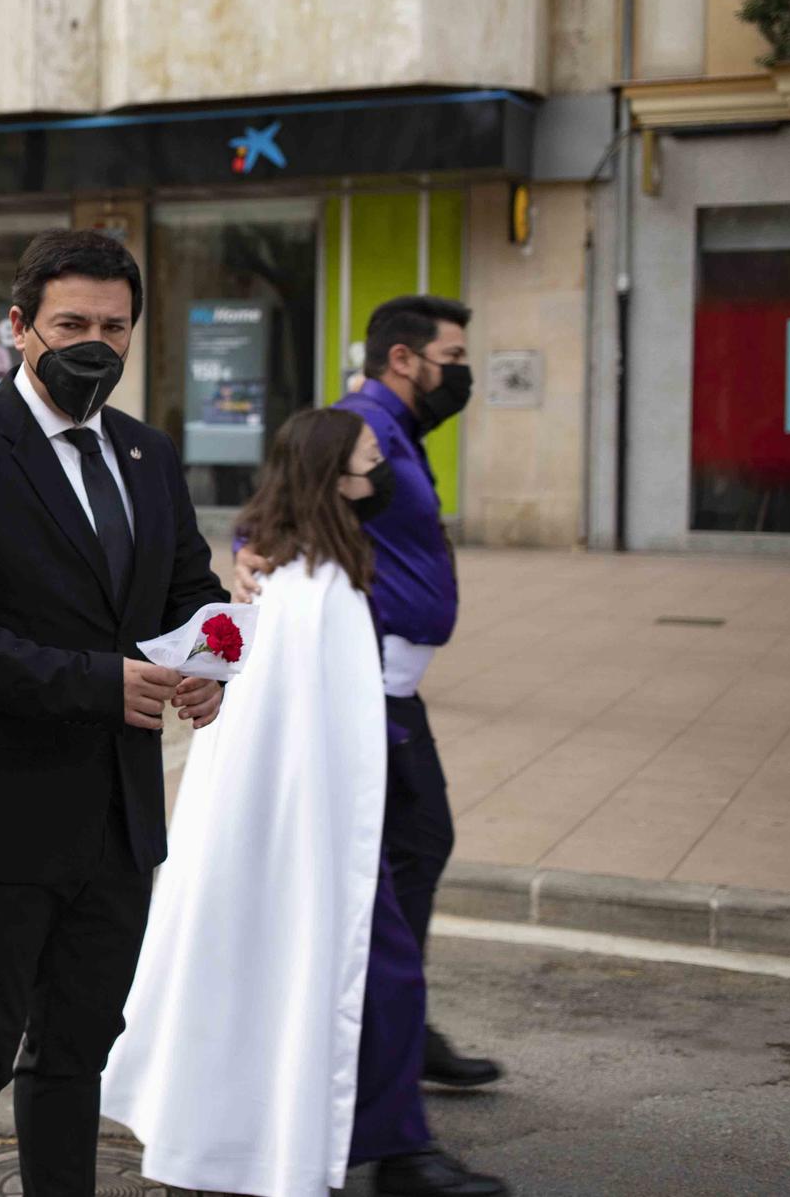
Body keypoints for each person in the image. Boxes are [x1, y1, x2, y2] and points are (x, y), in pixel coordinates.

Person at [104, 408, 508, 1197]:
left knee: (359, 973)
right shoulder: (303, 584)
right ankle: (392, 1153)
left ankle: (383, 1141)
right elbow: (285, 730)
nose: (378, 474)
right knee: (377, 970)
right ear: (333, 480)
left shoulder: (314, 569)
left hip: (321, 826)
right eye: (365, 463)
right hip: (311, 834)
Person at [0, 229, 227, 1196]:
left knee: (79, 1050)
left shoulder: (148, 452)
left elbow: (190, 590)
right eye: (71, 323)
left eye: (114, 326)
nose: (95, 343)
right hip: (4, 820)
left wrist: (212, 659)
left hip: (122, 822)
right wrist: (97, 683)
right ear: (19, 328)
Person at [237, 294, 501, 1090]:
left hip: (392, 688)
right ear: (403, 359)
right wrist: (251, 551)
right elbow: (293, 489)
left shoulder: (403, 432)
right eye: (451, 360)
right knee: (405, 852)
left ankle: (390, 1021)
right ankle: (386, 1026)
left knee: (408, 851)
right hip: (371, 691)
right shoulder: (367, 427)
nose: (462, 374)